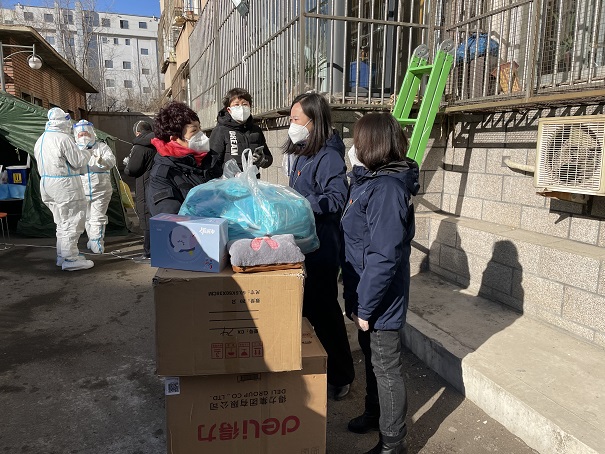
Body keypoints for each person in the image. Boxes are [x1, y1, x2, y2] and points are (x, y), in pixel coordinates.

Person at [340, 113, 419, 454]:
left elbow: (384, 255)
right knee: (373, 359)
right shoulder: (370, 181)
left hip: (379, 296)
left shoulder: (387, 189)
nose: (352, 148)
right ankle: (375, 414)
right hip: (364, 290)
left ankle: (393, 442)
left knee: (386, 367)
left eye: (357, 141)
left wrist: (366, 306)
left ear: (371, 145)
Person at [284, 92, 355, 400]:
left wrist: (301, 204)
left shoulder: (328, 157)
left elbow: (336, 198)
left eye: (296, 119)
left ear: (314, 121)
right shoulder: (304, 151)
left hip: (322, 247)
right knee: (307, 309)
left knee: (325, 312)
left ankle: (341, 375)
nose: (291, 124)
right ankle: (315, 365)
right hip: (304, 243)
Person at [34, 108, 94, 271]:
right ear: (63, 121)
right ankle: (70, 259)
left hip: (47, 184)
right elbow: (78, 161)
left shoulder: (41, 139)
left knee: (61, 222)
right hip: (65, 185)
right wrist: (86, 149)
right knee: (72, 221)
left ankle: (63, 255)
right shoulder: (63, 139)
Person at [147, 101, 215, 216]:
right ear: (174, 139)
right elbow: (171, 219)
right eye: (194, 131)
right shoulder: (161, 176)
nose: (202, 135)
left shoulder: (208, 159)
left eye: (200, 128)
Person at [73, 120, 117, 254]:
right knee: (87, 217)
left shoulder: (101, 147)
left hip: (101, 189)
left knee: (98, 217)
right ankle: (92, 239)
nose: (83, 137)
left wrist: (101, 160)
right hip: (81, 190)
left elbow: (111, 161)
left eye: (86, 133)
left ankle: (97, 241)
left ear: (91, 133)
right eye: (81, 134)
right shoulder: (74, 149)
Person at [208, 88, 273, 174]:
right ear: (229, 110)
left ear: (249, 107)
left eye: (244, 104)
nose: (241, 108)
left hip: (252, 180)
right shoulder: (221, 130)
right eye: (236, 105)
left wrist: (262, 160)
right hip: (229, 181)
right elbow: (212, 163)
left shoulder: (256, 131)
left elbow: (269, 158)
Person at [124, 120, 157, 260]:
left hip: (144, 184)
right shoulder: (158, 142)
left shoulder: (139, 147)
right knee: (156, 214)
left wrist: (127, 164)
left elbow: (133, 169)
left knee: (145, 215)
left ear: (138, 133)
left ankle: (149, 253)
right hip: (158, 184)